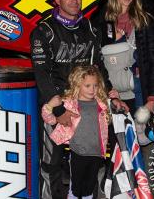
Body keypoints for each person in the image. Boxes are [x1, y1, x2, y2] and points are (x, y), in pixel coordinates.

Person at [30, 0, 124, 199]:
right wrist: (59, 110)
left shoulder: (90, 28)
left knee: (92, 158)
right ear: (57, 0)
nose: (74, 0)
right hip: (58, 105)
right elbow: (41, 75)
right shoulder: (44, 31)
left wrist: (111, 94)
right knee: (51, 161)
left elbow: (98, 66)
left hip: (88, 107)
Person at [93, 0, 154, 124]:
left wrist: (152, 97)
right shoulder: (102, 19)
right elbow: (96, 58)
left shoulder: (146, 19)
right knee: (117, 141)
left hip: (139, 90)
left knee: (143, 134)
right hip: (111, 93)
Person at [41, 65, 109, 199]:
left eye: (95, 85)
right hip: (78, 153)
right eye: (87, 86)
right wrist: (49, 106)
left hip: (96, 153)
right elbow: (50, 120)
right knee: (76, 188)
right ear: (78, 85)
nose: (92, 89)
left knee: (89, 187)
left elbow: (111, 115)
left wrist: (116, 98)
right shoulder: (69, 104)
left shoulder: (101, 103)